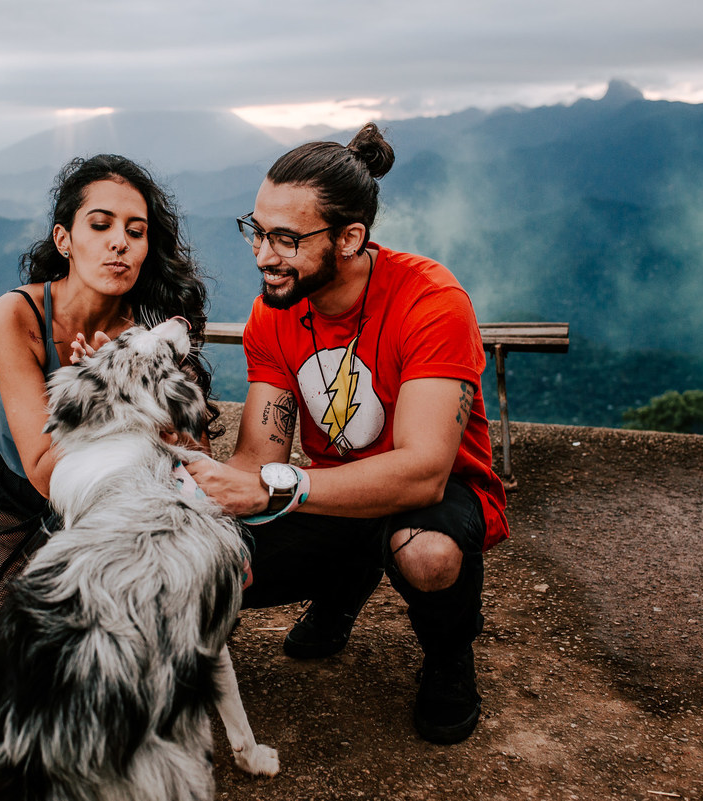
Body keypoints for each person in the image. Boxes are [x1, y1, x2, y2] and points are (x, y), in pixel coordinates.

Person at [186, 123, 508, 745]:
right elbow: (260, 458)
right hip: (332, 487)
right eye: (256, 230)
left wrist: (281, 488)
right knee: (211, 565)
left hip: (438, 497)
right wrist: (198, 471)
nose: (262, 255)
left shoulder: (431, 302)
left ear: (351, 238)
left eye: (285, 238)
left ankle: (448, 655)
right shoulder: (274, 312)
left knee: (427, 552)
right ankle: (348, 577)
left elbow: (423, 470)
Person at [0, 154, 220, 676]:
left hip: (111, 495)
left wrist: (118, 386)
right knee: (1, 661)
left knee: (120, 655)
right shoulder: (17, 316)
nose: (119, 241)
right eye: (100, 225)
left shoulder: (147, 336)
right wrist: (102, 398)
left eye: (135, 231)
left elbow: (198, 460)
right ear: (64, 240)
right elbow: (43, 468)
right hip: (11, 485)